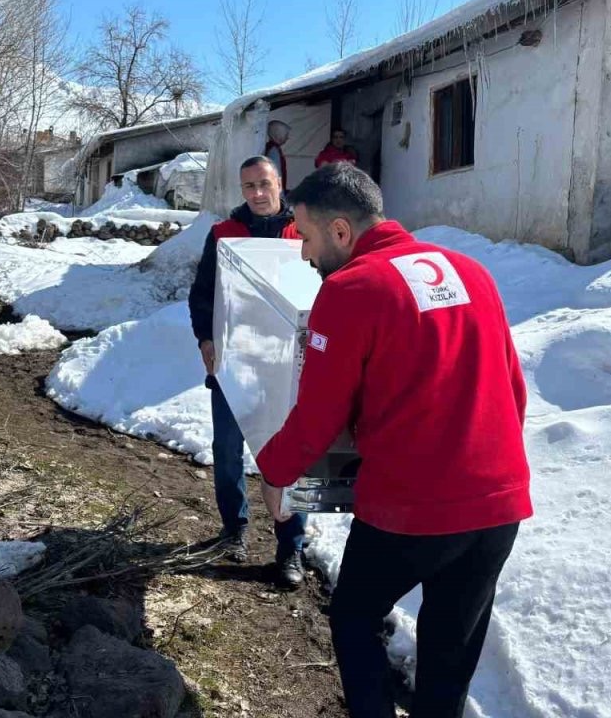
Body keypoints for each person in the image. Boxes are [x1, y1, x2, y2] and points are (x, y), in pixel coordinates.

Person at [255, 163, 531, 717]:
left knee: (355, 615)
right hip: (498, 506)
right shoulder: (473, 271)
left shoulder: (352, 288)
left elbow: (317, 416)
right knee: (450, 654)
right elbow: (514, 392)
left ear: (340, 231)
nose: (304, 255)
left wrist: (274, 474)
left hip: (413, 507)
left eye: (305, 238)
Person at [186, 155, 309, 588]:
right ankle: (234, 529)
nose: (257, 194)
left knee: (292, 456)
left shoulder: (303, 232)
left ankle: (291, 546)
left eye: (264, 184)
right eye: (249, 187)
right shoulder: (224, 235)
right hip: (235, 364)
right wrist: (206, 339)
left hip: (289, 366)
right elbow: (202, 296)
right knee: (227, 451)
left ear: (280, 184)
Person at [264, 119, 291, 185]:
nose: (288, 137)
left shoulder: (272, 148)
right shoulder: (274, 151)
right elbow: (275, 174)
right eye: (286, 135)